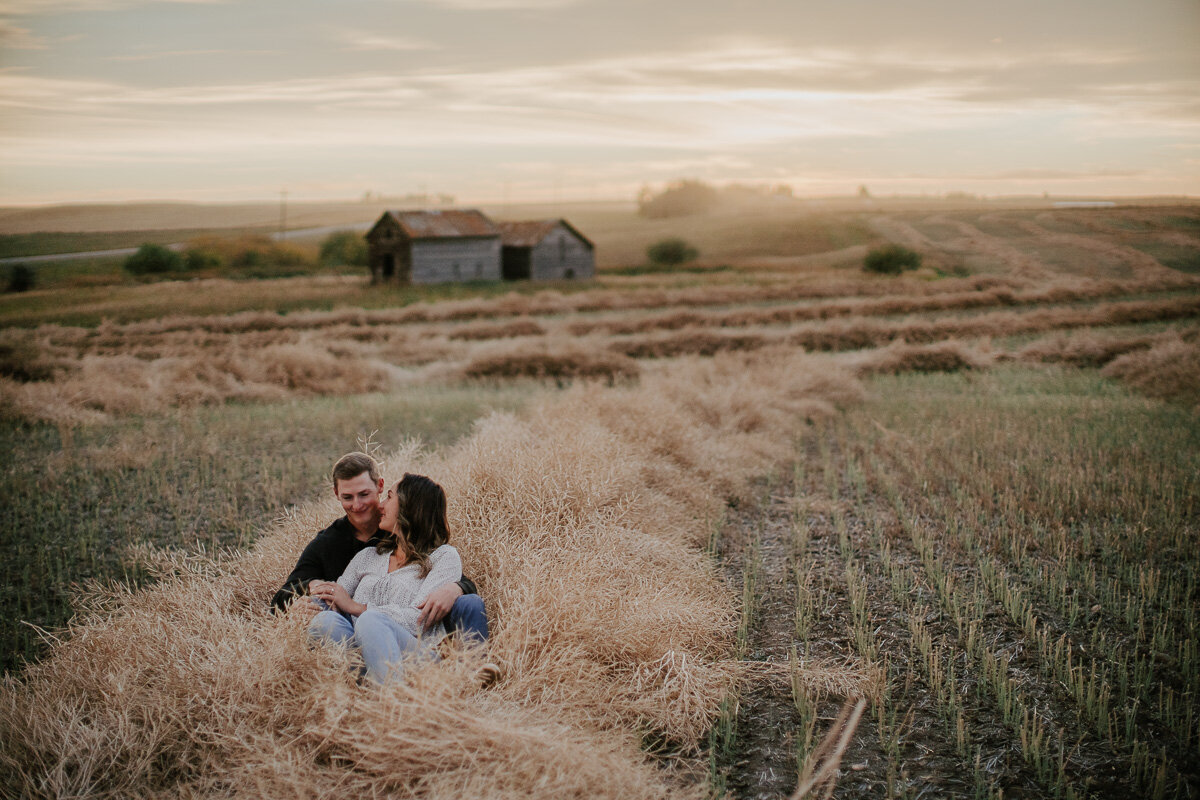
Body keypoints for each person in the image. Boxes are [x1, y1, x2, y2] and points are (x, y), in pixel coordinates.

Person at [271, 452, 488, 643]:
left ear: (380, 486)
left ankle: (470, 667)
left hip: (406, 630)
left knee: (469, 602)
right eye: (347, 497)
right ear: (336, 494)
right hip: (356, 627)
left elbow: (445, 570)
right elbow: (285, 595)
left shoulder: (399, 528)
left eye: (364, 494)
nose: (357, 505)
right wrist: (311, 589)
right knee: (330, 621)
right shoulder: (328, 543)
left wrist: (457, 587)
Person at [308, 473, 464, 685]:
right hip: (362, 656)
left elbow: (417, 621)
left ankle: (393, 705)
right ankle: (366, 690)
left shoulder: (443, 557)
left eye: (389, 497)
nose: (380, 505)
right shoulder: (368, 556)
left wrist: (356, 607)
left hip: (416, 659)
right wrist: (315, 599)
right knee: (324, 621)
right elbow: (337, 597)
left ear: (410, 507)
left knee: (370, 620)